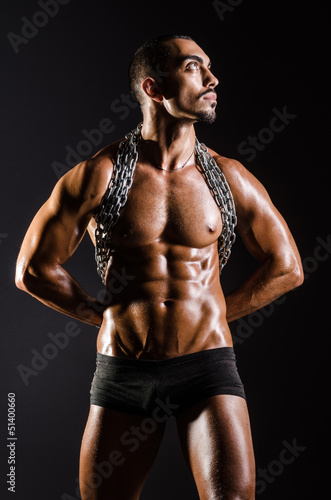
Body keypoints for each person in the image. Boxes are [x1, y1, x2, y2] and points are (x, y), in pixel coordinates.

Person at [15, 34, 303, 500]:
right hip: (125, 369)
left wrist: (212, 315)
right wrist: (100, 314)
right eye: (194, 68)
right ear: (154, 89)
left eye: (209, 67)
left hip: (207, 367)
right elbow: (32, 269)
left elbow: (287, 266)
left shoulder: (228, 176)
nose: (212, 79)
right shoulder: (99, 175)